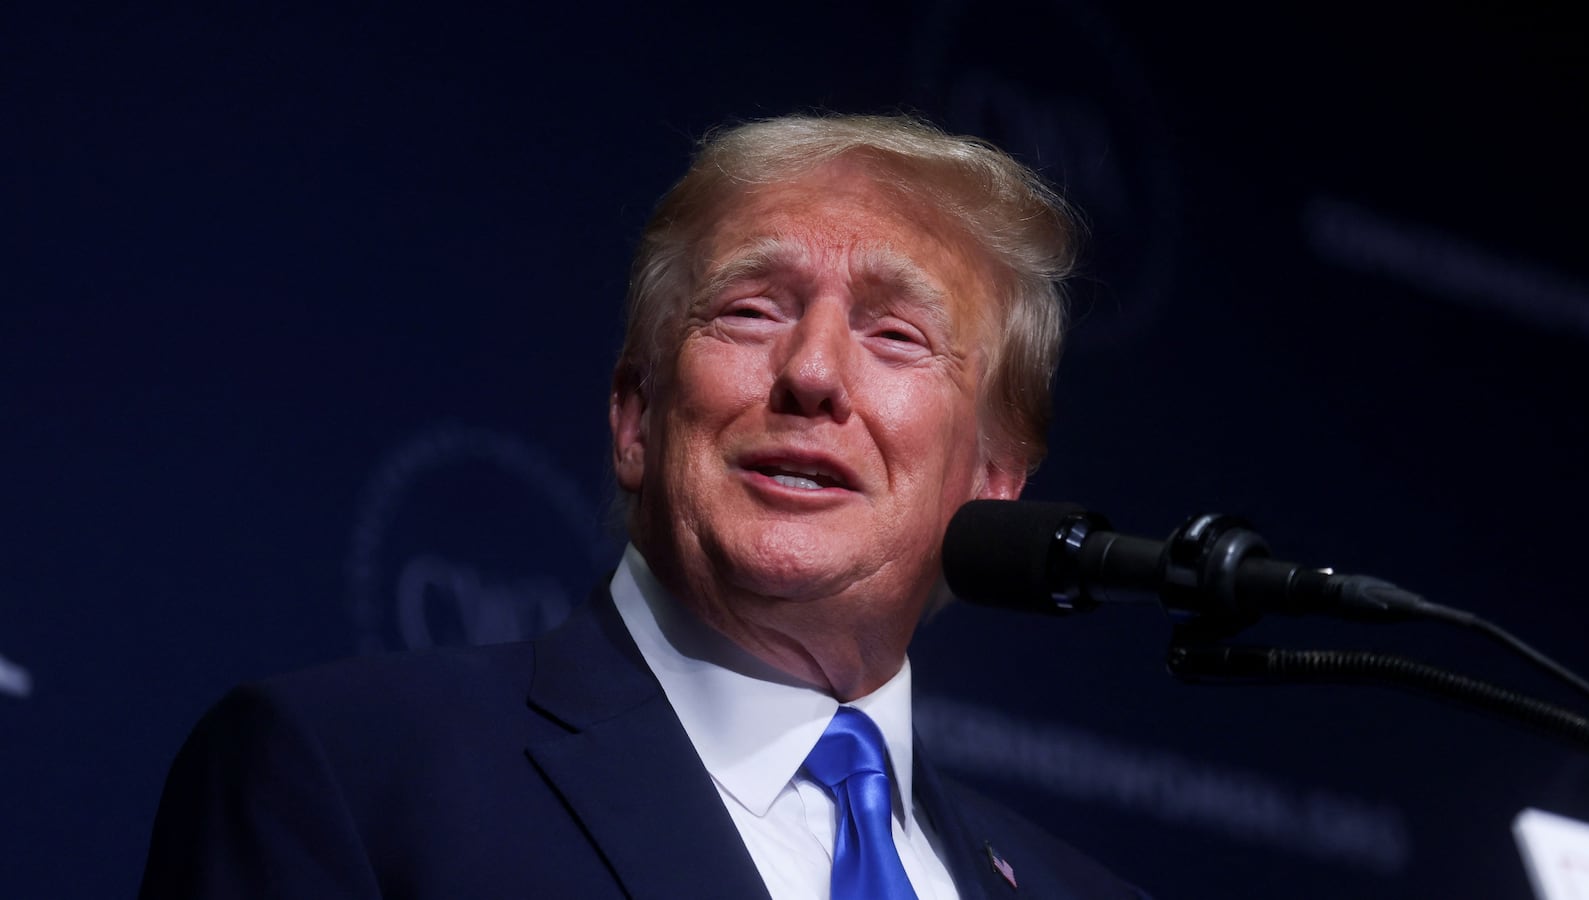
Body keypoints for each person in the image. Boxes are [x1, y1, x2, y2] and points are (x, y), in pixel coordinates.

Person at [140, 114, 1145, 899]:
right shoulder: (351, 774)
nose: (811, 372)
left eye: (895, 336)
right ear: (634, 417)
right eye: (751, 310)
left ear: (992, 484)